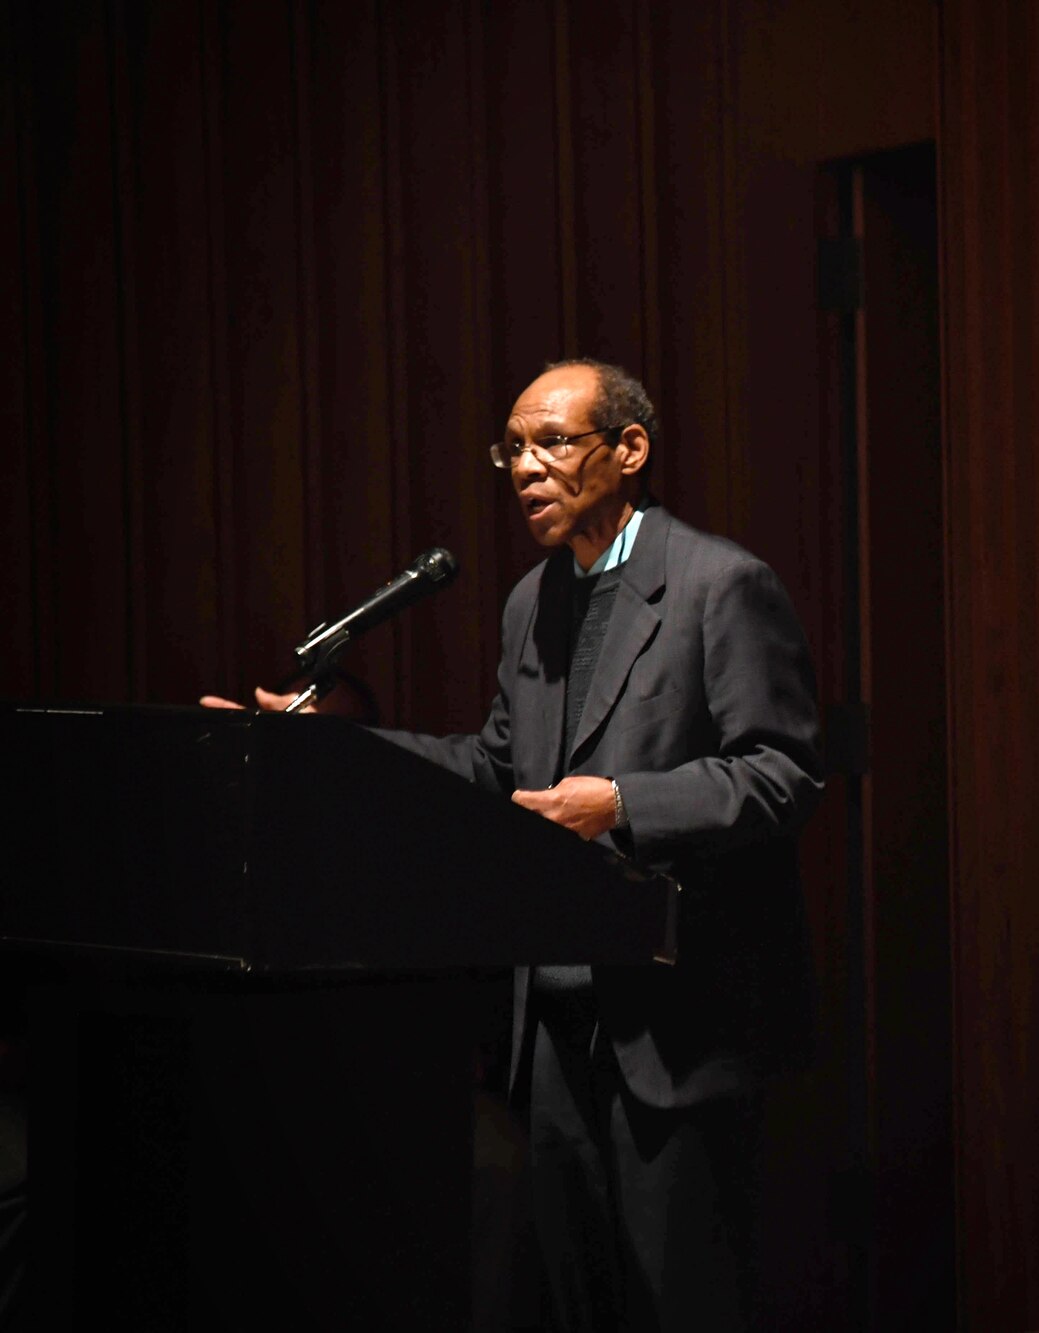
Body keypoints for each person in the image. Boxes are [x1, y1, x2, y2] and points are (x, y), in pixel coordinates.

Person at [209, 357, 822, 1330]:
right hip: (555, 1031)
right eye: (513, 451)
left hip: (677, 1031)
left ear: (628, 450)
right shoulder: (535, 600)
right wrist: (336, 745)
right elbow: (498, 769)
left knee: (682, 1306)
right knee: (577, 1304)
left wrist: (620, 802)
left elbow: (782, 772)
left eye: (552, 442)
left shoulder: (719, 586)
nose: (526, 468)